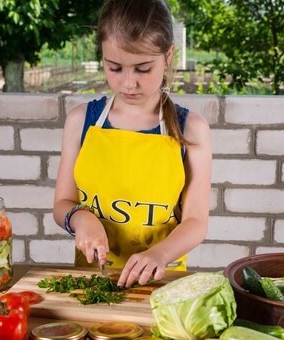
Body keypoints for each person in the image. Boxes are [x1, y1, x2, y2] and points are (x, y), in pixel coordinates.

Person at [53, 0, 211, 288]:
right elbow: (62, 204)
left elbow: (196, 222)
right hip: (93, 282)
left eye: (142, 69)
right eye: (115, 68)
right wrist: (80, 218)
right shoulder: (81, 121)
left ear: (168, 56)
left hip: (163, 284)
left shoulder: (192, 129)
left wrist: (159, 254)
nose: (128, 83)